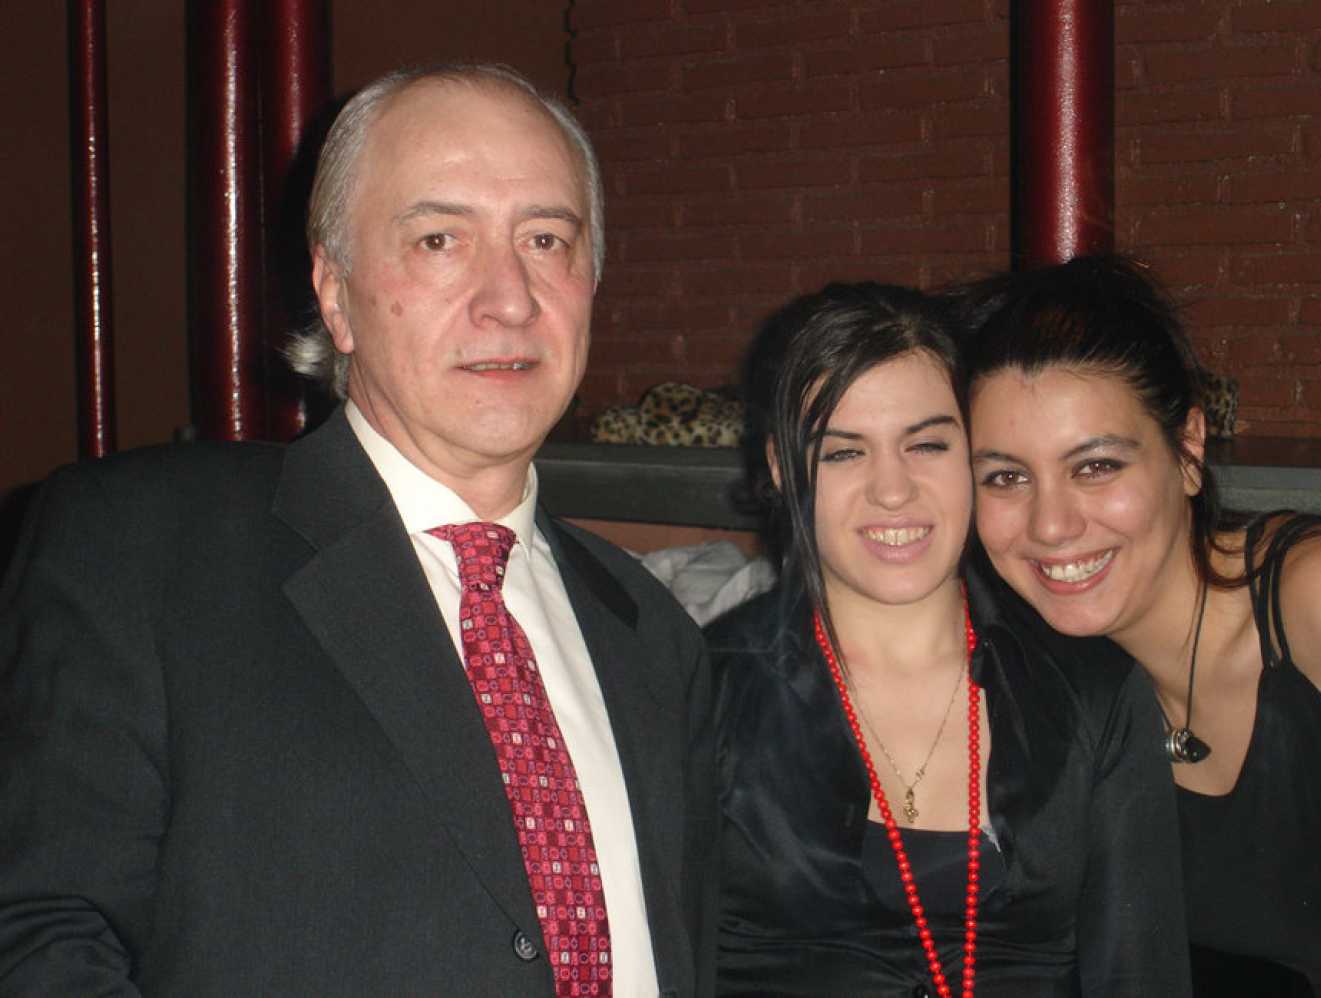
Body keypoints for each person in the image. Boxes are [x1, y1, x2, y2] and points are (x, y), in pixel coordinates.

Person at [0, 63, 714, 997]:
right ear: (335, 295)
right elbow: (41, 931)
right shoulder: (141, 551)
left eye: (546, 240)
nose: (510, 298)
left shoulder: (654, 637)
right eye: (440, 239)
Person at [706, 282, 1191, 997]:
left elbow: (1141, 973)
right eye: (842, 453)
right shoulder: (705, 688)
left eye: (927, 443)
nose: (892, 490)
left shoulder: (1090, 689)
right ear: (782, 469)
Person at [960, 253, 1321, 996]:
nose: (1051, 525)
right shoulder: (1044, 672)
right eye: (1006, 477)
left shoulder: (1313, 599)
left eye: (1096, 466)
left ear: (1188, 449)